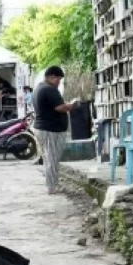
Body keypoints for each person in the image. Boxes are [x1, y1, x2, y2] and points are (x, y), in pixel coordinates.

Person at [33, 66, 78, 194]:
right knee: (52, 159)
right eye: (58, 79)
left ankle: (51, 184)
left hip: (43, 128)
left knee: (48, 158)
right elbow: (60, 108)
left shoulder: (39, 88)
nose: (59, 82)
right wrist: (72, 105)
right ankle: (52, 187)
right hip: (50, 130)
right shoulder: (50, 90)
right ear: (52, 77)